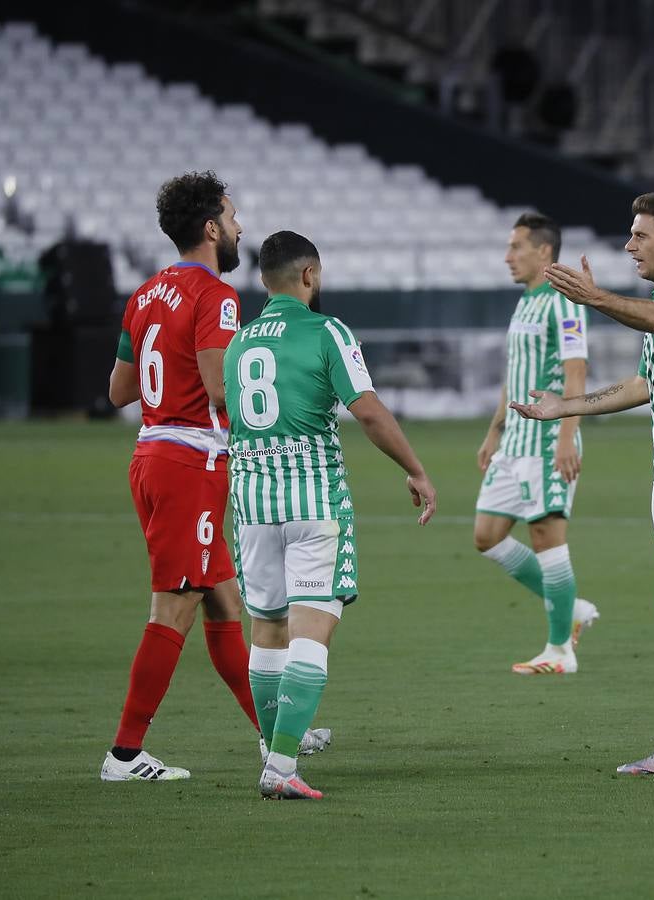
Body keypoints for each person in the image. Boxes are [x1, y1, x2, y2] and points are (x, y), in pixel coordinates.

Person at [512, 192, 654, 780]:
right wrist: (563, 408)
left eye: (639, 235)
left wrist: (593, 298)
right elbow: (644, 384)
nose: (628, 245)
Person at [100, 171, 326, 783]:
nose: (239, 226)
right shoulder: (215, 296)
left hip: (150, 455)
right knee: (173, 607)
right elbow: (218, 387)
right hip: (189, 463)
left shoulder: (144, 294)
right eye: (231, 217)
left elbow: (119, 389)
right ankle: (124, 755)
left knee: (226, 601)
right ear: (210, 228)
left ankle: (277, 732)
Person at [225, 230, 437, 799]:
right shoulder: (327, 332)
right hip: (313, 500)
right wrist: (415, 468)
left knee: (267, 630)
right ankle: (282, 767)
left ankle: (273, 749)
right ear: (310, 275)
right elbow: (366, 411)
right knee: (311, 629)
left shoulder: (239, 343)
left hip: (251, 502)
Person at [473, 213, 599, 675]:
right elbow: (516, 376)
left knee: (546, 539)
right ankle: (574, 610)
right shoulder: (526, 301)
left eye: (517, 247)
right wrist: (495, 430)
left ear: (544, 252)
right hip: (515, 442)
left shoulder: (563, 301)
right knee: (486, 536)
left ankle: (560, 649)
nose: (508, 256)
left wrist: (567, 437)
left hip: (548, 440)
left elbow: (576, 371)